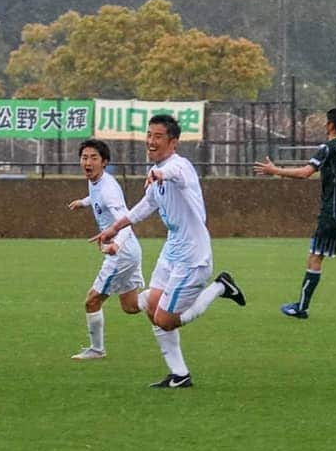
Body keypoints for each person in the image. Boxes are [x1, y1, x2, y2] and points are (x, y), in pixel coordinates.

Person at [90, 114, 246, 388]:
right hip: (172, 250)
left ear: (173, 142)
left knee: (165, 319)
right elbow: (142, 208)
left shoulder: (179, 166)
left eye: (158, 136)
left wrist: (160, 173)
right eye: (149, 135)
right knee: (152, 308)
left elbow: (174, 174)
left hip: (193, 255)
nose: (150, 141)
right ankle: (179, 374)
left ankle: (220, 287)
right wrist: (113, 229)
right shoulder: (155, 173)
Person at [253, 108, 336, 321]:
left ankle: (302, 307)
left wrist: (275, 170)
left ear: (330, 126)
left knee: (315, 257)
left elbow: (305, 173)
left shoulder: (327, 148)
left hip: (332, 213)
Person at [66, 139, 144, 361]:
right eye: (84, 157)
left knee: (92, 301)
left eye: (93, 158)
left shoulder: (109, 188)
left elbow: (126, 220)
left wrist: (116, 245)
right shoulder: (97, 181)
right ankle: (167, 297)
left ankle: (97, 349)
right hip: (129, 250)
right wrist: (82, 202)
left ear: (104, 162)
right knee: (131, 306)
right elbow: (96, 197)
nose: (87, 162)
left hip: (121, 251)